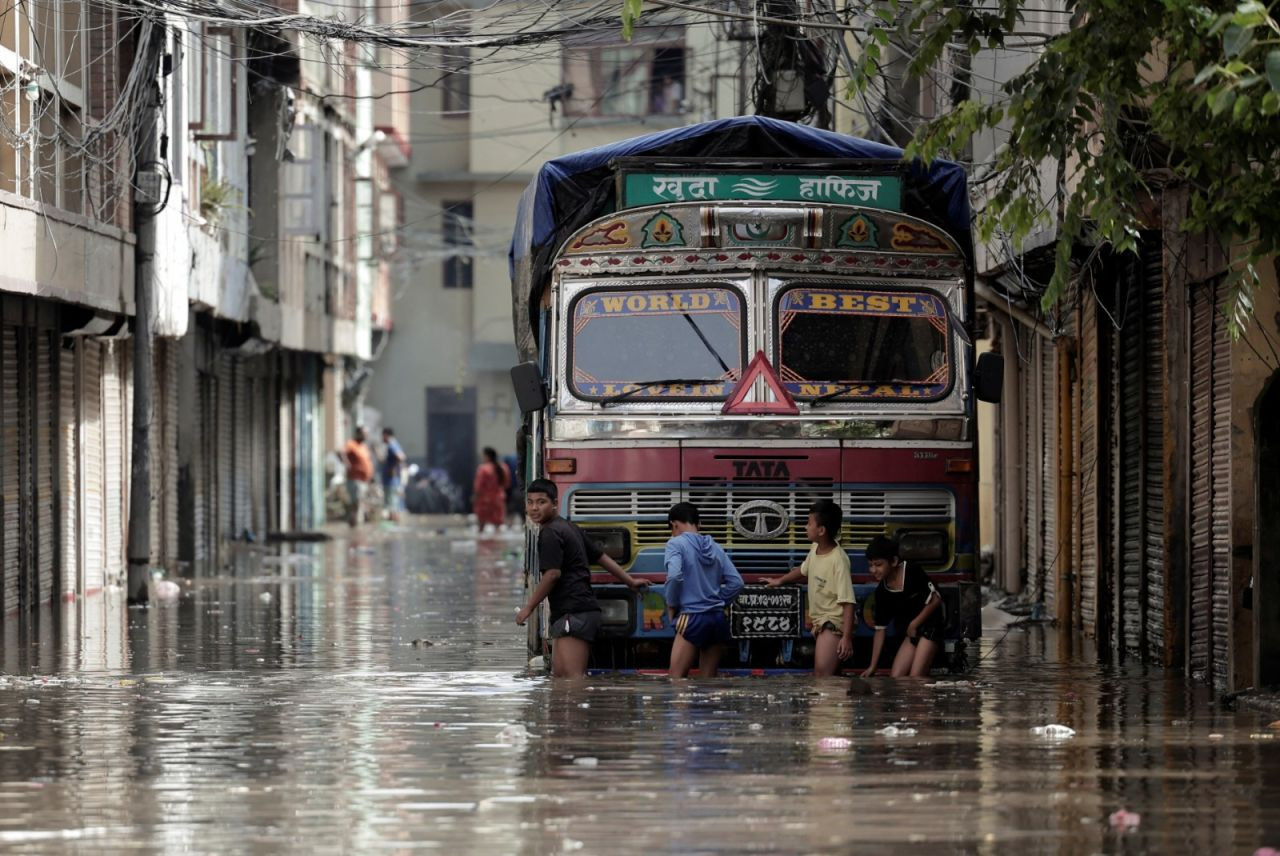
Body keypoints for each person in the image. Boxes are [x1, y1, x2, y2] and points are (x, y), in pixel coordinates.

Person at [515, 479, 648, 678]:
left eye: (541, 502)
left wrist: (528, 607)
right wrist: (630, 581)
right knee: (560, 678)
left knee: (572, 682)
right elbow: (601, 557)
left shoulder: (550, 532)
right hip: (574, 613)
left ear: (554, 503)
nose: (534, 508)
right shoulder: (569, 527)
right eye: (530, 502)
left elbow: (552, 574)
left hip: (574, 612)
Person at [766, 500, 855, 676]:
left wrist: (846, 637)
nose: (805, 527)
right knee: (833, 680)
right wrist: (781, 580)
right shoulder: (815, 548)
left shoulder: (839, 560)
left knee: (821, 677)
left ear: (821, 531)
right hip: (820, 622)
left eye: (809, 523)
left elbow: (848, 602)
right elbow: (803, 569)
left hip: (833, 623)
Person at [663, 502, 743, 678]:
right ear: (698, 524)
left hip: (692, 618)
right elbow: (737, 583)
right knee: (709, 683)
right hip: (717, 618)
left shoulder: (675, 544)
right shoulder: (715, 546)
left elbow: (675, 576)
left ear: (674, 524)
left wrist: (671, 604)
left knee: (676, 681)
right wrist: (717, 601)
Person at [861, 534, 945, 678]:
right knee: (897, 678)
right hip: (911, 633)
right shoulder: (882, 592)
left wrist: (914, 624)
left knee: (915, 677)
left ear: (893, 561)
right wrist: (872, 667)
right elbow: (880, 630)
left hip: (930, 628)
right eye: (871, 565)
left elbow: (935, 600)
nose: (873, 570)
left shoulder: (912, 570)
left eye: (878, 564)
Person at [343, 426, 373, 526]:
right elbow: (341, 452)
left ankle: (357, 522)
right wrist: (347, 464)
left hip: (364, 480)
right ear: (358, 433)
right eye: (364, 434)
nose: (366, 436)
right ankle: (353, 523)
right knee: (356, 502)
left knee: (361, 503)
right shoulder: (351, 444)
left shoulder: (363, 446)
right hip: (355, 479)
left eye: (367, 434)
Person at [473, 447, 510, 528]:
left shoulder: (483, 468)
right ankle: (498, 541)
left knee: (481, 525)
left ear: (487, 456)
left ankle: (481, 541)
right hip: (499, 499)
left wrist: (475, 497)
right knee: (498, 525)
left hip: (485, 500)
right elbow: (506, 484)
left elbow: (478, 486)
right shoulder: (503, 467)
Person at [380, 427, 406, 522]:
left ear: (386, 435)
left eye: (383, 436)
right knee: (392, 503)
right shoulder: (392, 445)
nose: (382, 438)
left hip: (391, 480)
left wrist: (393, 468)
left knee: (392, 503)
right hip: (390, 479)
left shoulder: (392, 445)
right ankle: (393, 523)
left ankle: (394, 522)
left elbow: (401, 457)